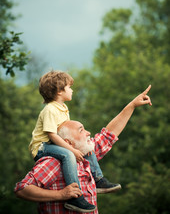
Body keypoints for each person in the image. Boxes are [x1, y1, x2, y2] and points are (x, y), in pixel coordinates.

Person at [15, 85, 152, 214]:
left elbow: (109, 134)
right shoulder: (53, 162)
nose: (88, 133)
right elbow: (22, 189)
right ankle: (75, 200)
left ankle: (100, 181)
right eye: (82, 130)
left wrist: (132, 105)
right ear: (67, 142)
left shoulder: (86, 156)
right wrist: (62, 194)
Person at [28, 70, 120, 213]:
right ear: (59, 91)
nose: (72, 90)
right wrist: (72, 150)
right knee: (69, 155)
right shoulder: (50, 110)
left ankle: (98, 179)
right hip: (42, 147)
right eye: (69, 87)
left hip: (55, 143)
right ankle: (75, 197)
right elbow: (52, 135)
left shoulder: (63, 108)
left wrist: (78, 147)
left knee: (85, 148)